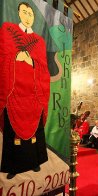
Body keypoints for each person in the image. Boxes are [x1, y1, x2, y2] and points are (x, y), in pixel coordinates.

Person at [0, 2, 50, 179]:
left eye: (31, 13)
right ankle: (13, 167)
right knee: (13, 132)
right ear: (18, 14)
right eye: (24, 12)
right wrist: (15, 57)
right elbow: (3, 57)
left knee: (34, 132)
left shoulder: (39, 41)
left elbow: (44, 69)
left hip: (33, 95)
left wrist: (32, 63)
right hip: (14, 93)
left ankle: (34, 162)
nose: (28, 16)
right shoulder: (7, 30)